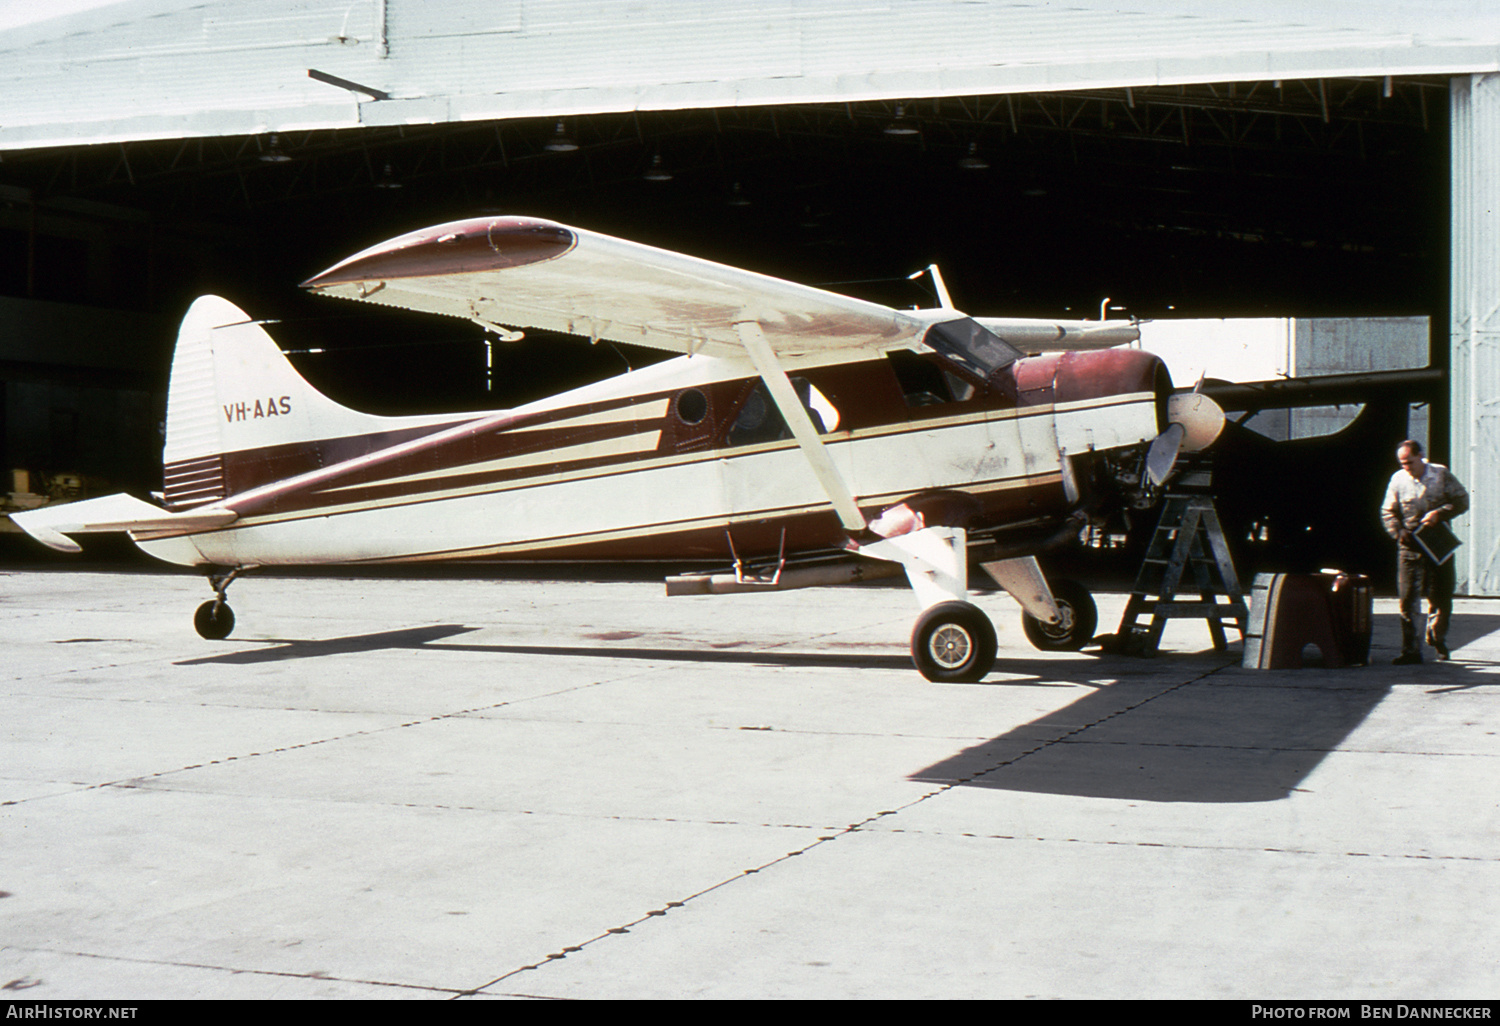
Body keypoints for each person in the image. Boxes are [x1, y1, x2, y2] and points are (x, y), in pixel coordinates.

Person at [1380, 440, 1469, 664]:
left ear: (1421, 456)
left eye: (1410, 462)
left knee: (1441, 596)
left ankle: (1437, 638)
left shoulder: (1440, 475)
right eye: (1402, 463)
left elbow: (1462, 501)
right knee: (1408, 598)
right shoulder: (1398, 479)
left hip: (1438, 541)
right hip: (1409, 543)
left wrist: (1440, 513)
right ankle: (1410, 650)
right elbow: (1387, 511)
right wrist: (1398, 530)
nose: (1407, 467)